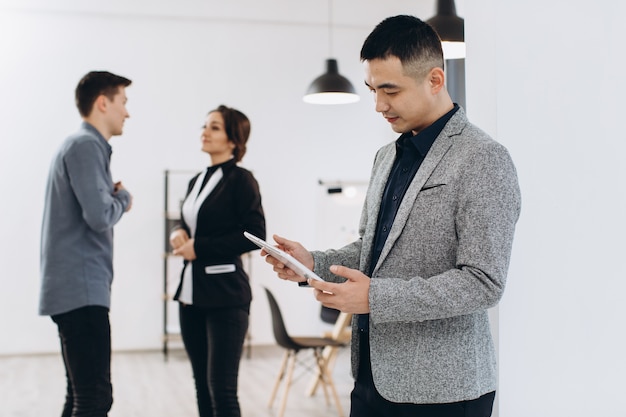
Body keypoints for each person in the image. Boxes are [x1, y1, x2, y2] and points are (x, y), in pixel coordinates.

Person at [263, 15, 521, 417]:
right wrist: (311, 263)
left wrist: (375, 297)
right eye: (372, 89)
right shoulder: (386, 157)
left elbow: (483, 282)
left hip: (444, 393)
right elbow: (370, 250)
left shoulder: (483, 159)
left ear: (435, 80)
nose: (379, 105)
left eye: (390, 90)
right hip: (370, 379)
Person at [39, 71, 133, 417]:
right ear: (103, 102)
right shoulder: (86, 145)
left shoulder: (80, 146)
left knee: (79, 396)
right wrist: (123, 197)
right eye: (123, 102)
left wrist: (110, 197)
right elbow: (99, 216)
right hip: (82, 291)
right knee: (94, 397)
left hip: (74, 290)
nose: (127, 112)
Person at [169, 105, 266, 417]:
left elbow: (254, 234)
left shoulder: (242, 180)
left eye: (214, 127)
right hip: (191, 295)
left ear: (234, 140)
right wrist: (177, 233)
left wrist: (201, 247)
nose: (205, 132)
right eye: (205, 126)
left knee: (221, 390)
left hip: (226, 296)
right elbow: (185, 220)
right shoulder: (196, 180)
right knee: (201, 386)